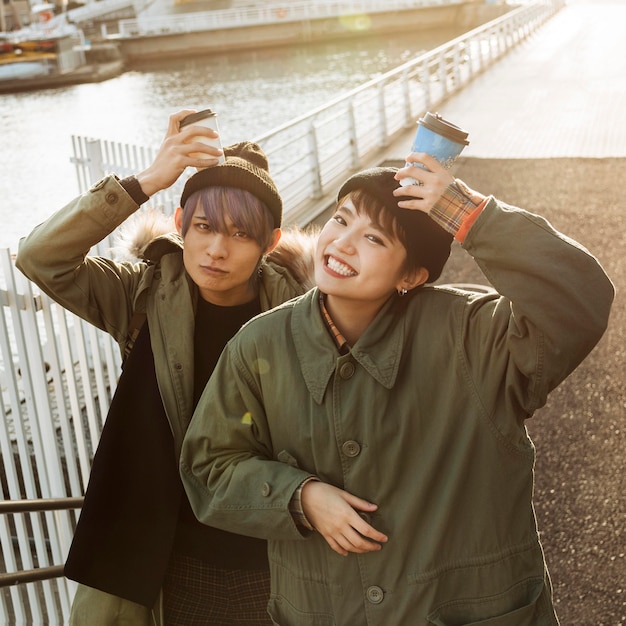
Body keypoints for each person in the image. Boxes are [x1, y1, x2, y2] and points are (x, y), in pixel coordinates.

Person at [180, 152, 615, 625]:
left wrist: (468, 214)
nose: (343, 243)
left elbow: (579, 298)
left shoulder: (473, 334)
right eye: (340, 220)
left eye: (373, 237)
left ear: (412, 276)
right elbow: (209, 467)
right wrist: (298, 496)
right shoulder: (259, 346)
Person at [16, 110, 316, 625]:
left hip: (267, 555)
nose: (217, 249)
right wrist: (146, 182)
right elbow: (40, 257)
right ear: (181, 226)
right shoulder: (142, 292)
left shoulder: (302, 313)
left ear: (269, 244)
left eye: (241, 235)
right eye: (204, 227)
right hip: (156, 557)